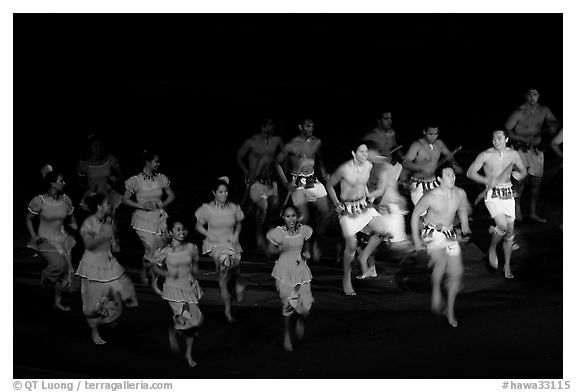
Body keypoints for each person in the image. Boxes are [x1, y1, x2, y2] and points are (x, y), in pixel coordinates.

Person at [326, 143, 393, 296]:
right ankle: (346, 279)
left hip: (363, 206)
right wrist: (336, 204)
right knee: (351, 246)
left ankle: (364, 257)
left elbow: (363, 184)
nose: (364, 154)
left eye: (366, 151)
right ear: (353, 152)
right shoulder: (344, 169)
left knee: (383, 231)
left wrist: (369, 195)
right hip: (347, 210)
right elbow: (329, 185)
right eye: (361, 151)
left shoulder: (368, 166)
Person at [411, 164, 471, 327]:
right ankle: (436, 290)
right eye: (448, 175)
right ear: (439, 179)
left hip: (449, 233)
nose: (452, 178)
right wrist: (416, 240)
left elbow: (462, 210)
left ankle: (449, 309)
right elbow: (416, 215)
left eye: (453, 175)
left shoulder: (460, 193)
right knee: (441, 262)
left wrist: (465, 227)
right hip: (431, 233)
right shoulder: (431, 196)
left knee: (457, 273)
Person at [76, 194, 138, 344]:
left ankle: (110, 319)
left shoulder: (109, 220)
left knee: (118, 289)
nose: (109, 206)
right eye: (106, 204)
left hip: (108, 262)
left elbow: (112, 238)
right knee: (94, 302)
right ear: (99, 206)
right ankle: (94, 331)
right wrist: (104, 233)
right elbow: (89, 245)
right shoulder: (88, 223)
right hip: (93, 266)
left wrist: (114, 242)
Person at [467, 130, 528, 278]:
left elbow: (523, 171)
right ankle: (493, 247)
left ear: (506, 139)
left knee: (510, 233)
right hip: (492, 194)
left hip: (507, 193)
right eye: (494, 138)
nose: (496, 141)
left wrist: (518, 175)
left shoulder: (513, 154)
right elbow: (470, 173)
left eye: (499, 138)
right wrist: (486, 181)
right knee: (501, 225)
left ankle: (507, 266)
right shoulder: (485, 154)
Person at [275, 118, 331, 262]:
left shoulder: (316, 142)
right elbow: (277, 163)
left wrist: (324, 173)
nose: (310, 129)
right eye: (307, 126)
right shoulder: (292, 145)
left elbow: (319, 159)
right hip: (297, 182)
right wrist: (286, 183)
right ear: (300, 127)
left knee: (326, 212)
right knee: (304, 217)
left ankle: (315, 240)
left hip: (312, 179)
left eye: (312, 126)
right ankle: (305, 246)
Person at [26, 165, 77, 311]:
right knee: (59, 266)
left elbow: (71, 214)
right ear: (52, 183)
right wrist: (34, 236)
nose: (64, 183)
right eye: (61, 181)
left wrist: (73, 222)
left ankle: (57, 301)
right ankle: (45, 274)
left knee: (67, 275)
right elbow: (28, 219)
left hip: (61, 238)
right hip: (44, 239)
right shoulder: (39, 200)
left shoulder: (66, 199)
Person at [153, 218, 203, 367]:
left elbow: (195, 264)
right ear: (171, 232)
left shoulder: (191, 247)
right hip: (173, 290)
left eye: (183, 229)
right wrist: (164, 275)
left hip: (188, 287)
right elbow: (155, 267)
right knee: (188, 320)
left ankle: (187, 353)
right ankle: (175, 331)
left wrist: (194, 276)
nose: (182, 232)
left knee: (195, 321)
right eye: (178, 230)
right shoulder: (165, 251)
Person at [195, 177, 246, 323]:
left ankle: (232, 281)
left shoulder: (233, 207)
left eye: (225, 192)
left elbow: (239, 224)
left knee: (233, 269)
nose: (224, 195)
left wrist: (236, 234)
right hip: (215, 244)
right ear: (214, 193)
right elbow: (198, 226)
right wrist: (208, 233)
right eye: (220, 192)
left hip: (231, 243)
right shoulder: (207, 209)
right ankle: (228, 311)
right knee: (226, 265)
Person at [123, 150, 175, 287]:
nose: (158, 164)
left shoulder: (161, 178)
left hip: (158, 219)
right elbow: (124, 200)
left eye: (158, 161)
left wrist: (162, 204)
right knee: (150, 247)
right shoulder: (136, 180)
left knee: (158, 249)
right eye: (155, 161)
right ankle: (150, 276)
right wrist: (141, 205)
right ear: (148, 162)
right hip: (143, 220)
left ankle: (149, 274)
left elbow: (171, 195)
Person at [504, 88, 557, 222]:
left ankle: (533, 212)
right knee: (520, 181)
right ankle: (517, 209)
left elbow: (554, 124)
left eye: (535, 94)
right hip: (520, 149)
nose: (532, 97)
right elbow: (506, 131)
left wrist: (552, 127)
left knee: (536, 183)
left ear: (538, 95)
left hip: (536, 150)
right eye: (530, 94)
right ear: (525, 95)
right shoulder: (519, 111)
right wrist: (522, 139)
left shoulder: (544, 110)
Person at [267, 205, 314, 352]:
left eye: (293, 215)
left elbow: (307, 244)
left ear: (297, 216)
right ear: (283, 217)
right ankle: (287, 335)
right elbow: (270, 250)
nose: (291, 219)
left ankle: (300, 318)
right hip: (284, 272)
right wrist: (280, 248)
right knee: (287, 305)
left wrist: (307, 252)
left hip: (300, 271)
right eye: (288, 216)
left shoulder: (303, 230)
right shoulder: (279, 233)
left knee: (304, 306)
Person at [236, 118, 284, 251]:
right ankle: (259, 234)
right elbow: (239, 157)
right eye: (270, 125)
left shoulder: (276, 141)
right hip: (255, 181)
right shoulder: (251, 142)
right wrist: (247, 172)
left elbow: (283, 155)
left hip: (270, 181)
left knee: (274, 208)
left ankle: (267, 231)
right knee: (263, 206)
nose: (273, 127)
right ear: (263, 127)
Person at [402, 125, 460, 207]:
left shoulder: (439, 144)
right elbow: (405, 163)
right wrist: (421, 167)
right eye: (431, 134)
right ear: (424, 132)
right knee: (422, 213)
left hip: (433, 181)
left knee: (438, 210)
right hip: (418, 183)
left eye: (436, 134)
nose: (434, 137)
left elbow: (449, 154)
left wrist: (454, 164)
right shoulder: (417, 145)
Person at [77, 135, 123, 214]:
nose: (98, 148)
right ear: (89, 147)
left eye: (100, 145)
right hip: (93, 197)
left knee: (109, 222)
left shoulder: (109, 159)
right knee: (96, 222)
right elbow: (80, 182)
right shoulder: (84, 164)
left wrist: (115, 179)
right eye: (95, 146)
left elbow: (121, 175)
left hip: (108, 196)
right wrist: (89, 187)